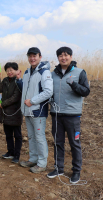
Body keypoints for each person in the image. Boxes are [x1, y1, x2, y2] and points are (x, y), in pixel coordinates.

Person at [47, 47, 90, 183]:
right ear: (58, 58)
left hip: (73, 115)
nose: (63, 58)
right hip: (56, 114)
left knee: (74, 143)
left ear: (71, 57)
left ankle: (76, 171)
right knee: (57, 142)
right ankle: (59, 168)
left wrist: (73, 84)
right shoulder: (53, 74)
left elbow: (85, 91)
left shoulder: (79, 72)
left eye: (66, 55)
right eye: (60, 56)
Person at [17, 47, 53, 173]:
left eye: (35, 56)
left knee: (39, 137)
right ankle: (33, 159)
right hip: (27, 111)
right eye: (30, 56)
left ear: (40, 57)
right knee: (31, 137)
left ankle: (42, 163)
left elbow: (48, 91)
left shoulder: (44, 72)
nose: (32, 58)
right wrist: (18, 79)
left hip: (38, 111)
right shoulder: (27, 73)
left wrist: (32, 101)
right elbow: (27, 89)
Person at [0, 62, 23, 164]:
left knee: (17, 135)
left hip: (15, 112)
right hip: (6, 113)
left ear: (16, 70)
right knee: (8, 134)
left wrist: (3, 104)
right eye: (7, 70)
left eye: (11, 70)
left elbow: (16, 97)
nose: (9, 72)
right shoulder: (6, 80)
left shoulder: (19, 81)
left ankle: (16, 155)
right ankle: (10, 152)